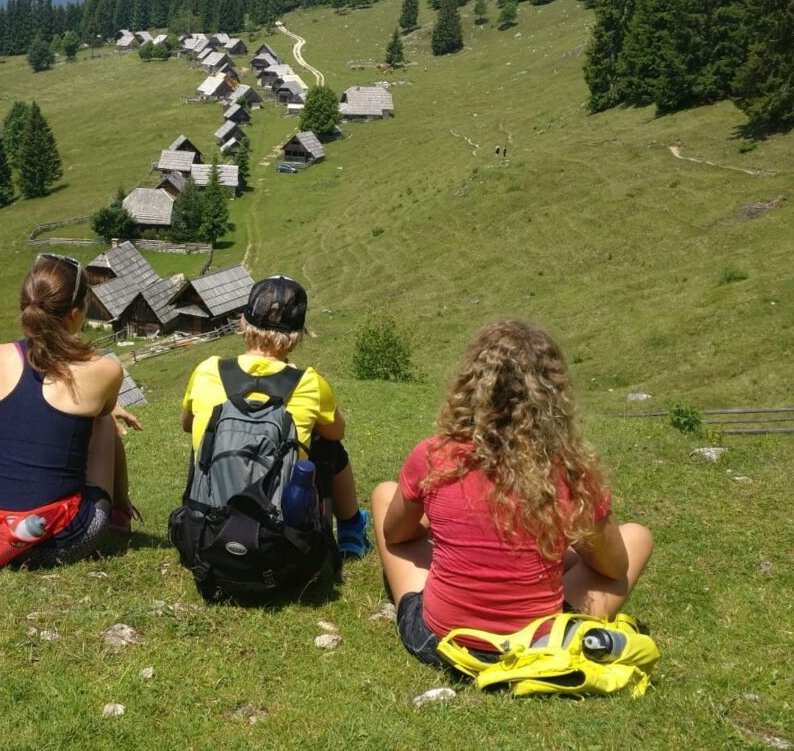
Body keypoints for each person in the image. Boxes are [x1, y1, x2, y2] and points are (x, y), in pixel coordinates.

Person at [371, 320, 653, 669]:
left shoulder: (434, 456)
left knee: (385, 493)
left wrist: (440, 527)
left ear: (470, 385)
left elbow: (396, 534)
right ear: (553, 395)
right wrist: (566, 537)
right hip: (539, 647)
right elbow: (614, 568)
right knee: (637, 536)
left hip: (441, 642)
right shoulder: (571, 472)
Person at [0, 254, 141, 568]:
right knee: (104, 420)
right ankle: (120, 512)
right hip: (56, 540)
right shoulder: (104, 370)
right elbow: (98, 409)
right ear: (76, 314)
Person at [180, 275, 370, 557]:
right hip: (280, 549)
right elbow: (337, 432)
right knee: (328, 445)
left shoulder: (208, 370)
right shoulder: (309, 383)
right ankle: (352, 529)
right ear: (298, 335)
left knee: (206, 432)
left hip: (206, 542)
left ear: (243, 323)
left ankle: (202, 513)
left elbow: (187, 424)